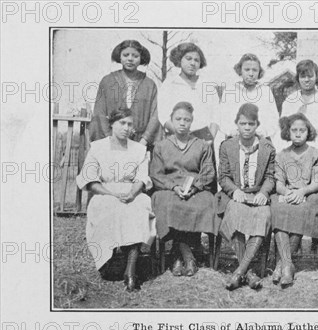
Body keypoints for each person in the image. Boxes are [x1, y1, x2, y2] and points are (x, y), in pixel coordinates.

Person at [76, 108, 156, 291]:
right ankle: (108, 260)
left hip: (131, 192)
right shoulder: (98, 147)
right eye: (122, 123)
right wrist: (110, 194)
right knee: (108, 208)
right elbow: (90, 180)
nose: (126, 128)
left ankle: (131, 268)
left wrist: (132, 193)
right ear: (112, 123)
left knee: (139, 205)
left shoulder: (139, 150)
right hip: (105, 192)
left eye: (130, 124)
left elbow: (142, 178)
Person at [149, 102, 218, 277]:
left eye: (186, 120)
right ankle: (187, 256)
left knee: (205, 202)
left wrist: (194, 187)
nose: (182, 123)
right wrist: (173, 186)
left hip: (195, 188)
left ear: (191, 122)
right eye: (178, 119)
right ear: (171, 120)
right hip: (168, 189)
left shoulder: (202, 145)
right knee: (167, 203)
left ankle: (177, 255)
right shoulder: (161, 146)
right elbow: (156, 174)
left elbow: (208, 172)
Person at [217, 103, 276, 291]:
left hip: (257, 194)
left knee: (264, 216)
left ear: (257, 125)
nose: (247, 128)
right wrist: (234, 191)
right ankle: (249, 273)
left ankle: (239, 272)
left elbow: (270, 176)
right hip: (237, 193)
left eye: (251, 124)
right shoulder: (227, 146)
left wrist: (264, 192)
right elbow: (223, 176)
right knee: (234, 214)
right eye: (243, 123)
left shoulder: (267, 147)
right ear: (237, 124)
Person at [270, 114, 318, 287]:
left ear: (308, 132)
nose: (297, 134)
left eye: (302, 130)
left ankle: (281, 265)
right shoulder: (281, 156)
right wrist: (288, 192)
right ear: (287, 132)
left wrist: (301, 192)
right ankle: (288, 265)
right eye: (294, 130)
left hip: (309, 194)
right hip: (288, 193)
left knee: (301, 210)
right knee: (277, 208)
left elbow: (317, 183)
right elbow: (279, 183)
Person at [89, 40, 159, 146]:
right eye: (126, 55)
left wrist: (144, 141)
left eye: (135, 56)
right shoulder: (107, 81)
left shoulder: (149, 84)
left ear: (141, 58)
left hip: (140, 143)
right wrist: (110, 138)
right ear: (120, 57)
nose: (130, 59)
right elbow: (100, 113)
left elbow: (155, 115)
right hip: (110, 142)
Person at [216, 54, 280, 153]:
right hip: (235, 142)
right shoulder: (231, 90)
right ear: (240, 70)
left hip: (260, 143)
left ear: (259, 72)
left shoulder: (265, 91)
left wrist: (261, 133)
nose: (251, 74)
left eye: (254, 70)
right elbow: (222, 117)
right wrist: (233, 132)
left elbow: (273, 118)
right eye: (247, 69)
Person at [158, 42, 220, 141]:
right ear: (180, 59)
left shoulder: (208, 85)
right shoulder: (170, 84)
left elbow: (216, 115)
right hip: (177, 138)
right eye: (188, 58)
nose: (192, 63)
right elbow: (163, 116)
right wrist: (182, 136)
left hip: (204, 140)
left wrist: (210, 138)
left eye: (196, 60)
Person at [280, 59, 318, 155]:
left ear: (316, 77)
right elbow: (283, 129)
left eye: (310, 76)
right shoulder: (290, 101)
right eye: (303, 76)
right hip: (294, 153)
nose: (307, 80)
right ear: (298, 78)